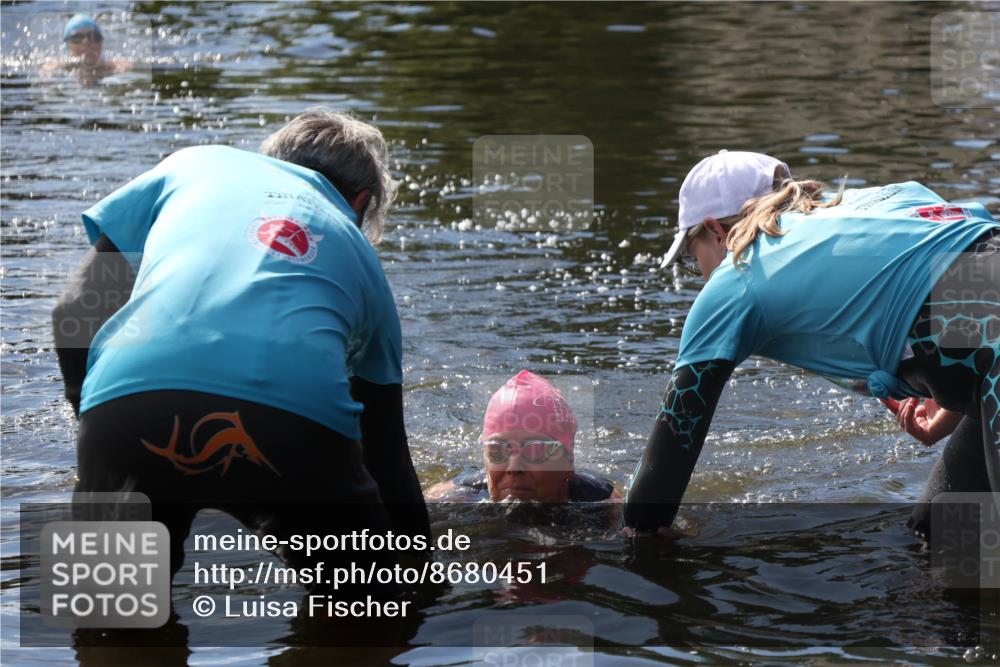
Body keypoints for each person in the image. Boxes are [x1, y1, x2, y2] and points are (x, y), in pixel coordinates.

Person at [52, 109, 431, 593]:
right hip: (290, 427)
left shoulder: (192, 166)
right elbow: (388, 459)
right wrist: (419, 587)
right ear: (359, 201)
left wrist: (98, 427)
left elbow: (74, 313)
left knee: (108, 622)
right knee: (367, 614)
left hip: (126, 404)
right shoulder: (365, 265)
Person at [625, 149, 999, 538]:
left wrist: (625, 538)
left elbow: (665, 465)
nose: (699, 274)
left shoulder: (736, 276)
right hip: (987, 361)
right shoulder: (887, 198)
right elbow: (975, 269)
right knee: (939, 536)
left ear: (715, 232)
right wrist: (954, 402)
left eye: (691, 257)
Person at [425, 370, 622, 504]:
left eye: (535, 450)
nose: (514, 468)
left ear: (568, 461)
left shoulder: (603, 500)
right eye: (497, 450)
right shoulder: (464, 493)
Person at [41, 14, 131, 84]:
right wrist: (74, 64)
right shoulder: (59, 63)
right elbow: (47, 71)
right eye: (77, 38)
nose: (86, 42)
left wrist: (102, 66)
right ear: (68, 44)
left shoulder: (112, 62)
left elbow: (127, 66)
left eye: (93, 37)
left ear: (101, 42)